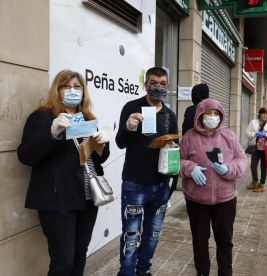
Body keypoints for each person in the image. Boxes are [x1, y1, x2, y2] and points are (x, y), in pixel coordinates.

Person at [17, 70, 110, 276]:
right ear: (57, 90)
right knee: (63, 260)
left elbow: (97, 159)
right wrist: (53, 132)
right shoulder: (42, 116)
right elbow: (25, 155)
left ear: (84, 91)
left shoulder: (87, 118)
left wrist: (104, 144)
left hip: (87, 197)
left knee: (79, 255)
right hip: (57, 199)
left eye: (77, 86)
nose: (72, 90)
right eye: (65, 86)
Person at [115, 67, 178, 276]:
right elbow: (120, 143)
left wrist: (170, 185)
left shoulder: (170, 115)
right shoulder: (132, 108)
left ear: (167, 86)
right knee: (131, 237)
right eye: (153, 83)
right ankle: (126, 273)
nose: (158, 87)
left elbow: (174, 151)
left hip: (160, 186)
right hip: (134, 184)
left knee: (152, 236)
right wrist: (128, 128)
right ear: (146, 85)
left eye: (162, 83)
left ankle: (143, 271)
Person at [179, 98, 247, 276]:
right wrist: (190, 168)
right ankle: (202, 272)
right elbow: (177, 162)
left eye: (215, 113)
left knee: (225, 240)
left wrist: (228, 169)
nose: (212, 117)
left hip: (225, 199)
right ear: (200, 116)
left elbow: (241, 159)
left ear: (221, 116)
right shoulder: (189, 137)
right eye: (208, 113)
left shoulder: (229, 136)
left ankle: (225, 273)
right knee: (200, 241)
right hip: (196, 199)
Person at [245, 107, 267, 192]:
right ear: (259, 114)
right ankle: (255, 182)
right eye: (263, 114)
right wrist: (255, 134)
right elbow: (247, 133)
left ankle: (262, 184)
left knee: (263, 167)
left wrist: (266, 134)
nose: (265, 116)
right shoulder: (253, 122)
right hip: (256, 148)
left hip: (266, 149)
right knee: (253, 166)